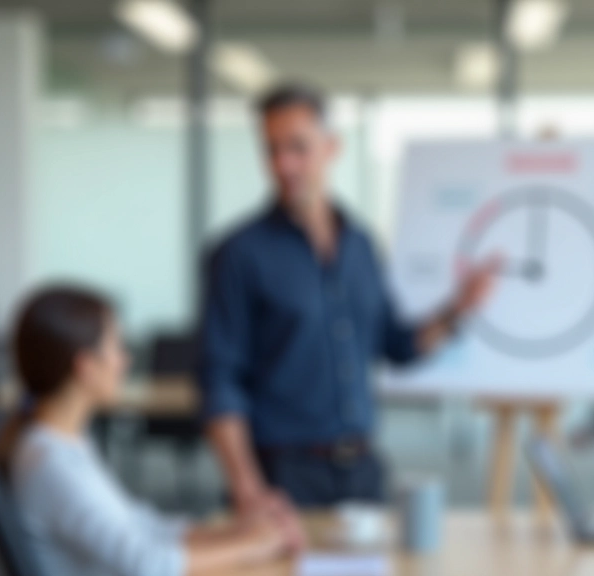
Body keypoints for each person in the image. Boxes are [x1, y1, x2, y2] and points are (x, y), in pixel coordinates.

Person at [199, 82, 497, 519]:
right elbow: (219, 381)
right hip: (281, 475)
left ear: (331, 147)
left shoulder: (360, 244)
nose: (284, 164)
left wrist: (457, 308)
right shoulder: (238, 254)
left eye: (298, 148)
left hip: (362, 470)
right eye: (272, 150)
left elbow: (396, 346)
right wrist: (246, 487)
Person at [0, 286, 301, 576]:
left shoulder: (62, 442)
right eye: (116, 346)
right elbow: (147, 564)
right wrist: (255, 544)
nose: (125, 360)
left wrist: (231, 533)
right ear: (85, 365)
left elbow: (136, 524)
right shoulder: (51, 462)